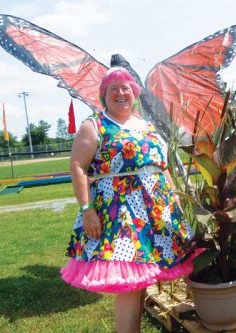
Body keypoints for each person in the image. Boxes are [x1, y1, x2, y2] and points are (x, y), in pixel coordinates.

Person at [61, 67, 195, 332]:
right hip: (121, 213)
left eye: (126, 88)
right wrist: (87, 210)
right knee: (130, 280)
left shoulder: (146, 126)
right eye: (114, 89)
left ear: (134, 94)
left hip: (158, 210)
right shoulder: (95, 125)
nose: (121, 93)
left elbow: (162, 167)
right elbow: (78, 166)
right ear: (104, 96)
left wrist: (176, 200)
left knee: (151, 274)